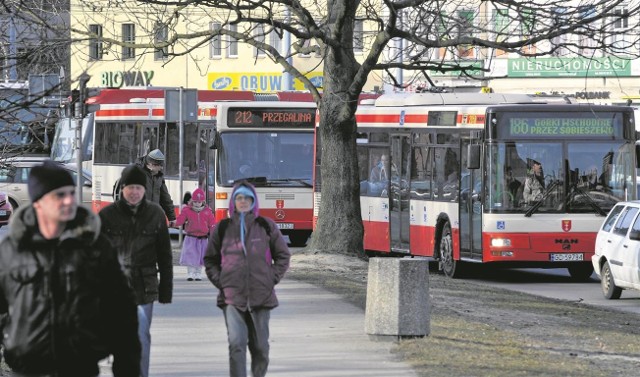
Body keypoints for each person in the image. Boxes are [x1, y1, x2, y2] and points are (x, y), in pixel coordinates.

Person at [0, 160, 140, 376]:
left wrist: (127, 368)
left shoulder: (95, 247)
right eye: (59, 195)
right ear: (38, 203)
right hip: (27, 368)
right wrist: (13, 337)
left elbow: (122, 311)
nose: (69, 201)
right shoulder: (12, 250)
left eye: (71, 193)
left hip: (80, 366)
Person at [204, 180, 290, 377]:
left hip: (261, 296)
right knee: (236, 345)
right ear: (233, 201)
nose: (243, 201)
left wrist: (270, 278)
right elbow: (210, 259)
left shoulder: (266, 226)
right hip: (232, 297)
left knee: (260, 348)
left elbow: (283, 256)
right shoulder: (222, 228)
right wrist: (221, 282)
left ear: (253, 201)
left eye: (247, 198)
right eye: (239, 198)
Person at [99, 164, 174, 377]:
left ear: (144, 190)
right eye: (130, 187)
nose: (134, 192)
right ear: (122, 189)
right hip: (114, 287)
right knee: (119, 339)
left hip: (144, 286)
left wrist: (166, 289)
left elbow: (165, 255)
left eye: (138, 188)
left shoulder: (155, 213)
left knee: (141, 336)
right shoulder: (107, 215)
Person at [173, 188, 216, 281]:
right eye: (195, 201)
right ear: (192, 201)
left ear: (203, 202)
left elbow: (212, 224)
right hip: (191, 237)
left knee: (201, 257)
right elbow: (181, 219)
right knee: (190, 255)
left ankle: (198, 273)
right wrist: (174, 223)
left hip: (203, 238)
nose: (197, 204)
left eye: (199, 202)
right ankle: (190, 273)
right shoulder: (187, 210)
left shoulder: (207, 211)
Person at [137, 148, 177, 226]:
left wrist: (172, 218)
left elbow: (165, 198)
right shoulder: (136, 173)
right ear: (151, 165)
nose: (161, 168)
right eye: (160, 165)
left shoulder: (158, 176)